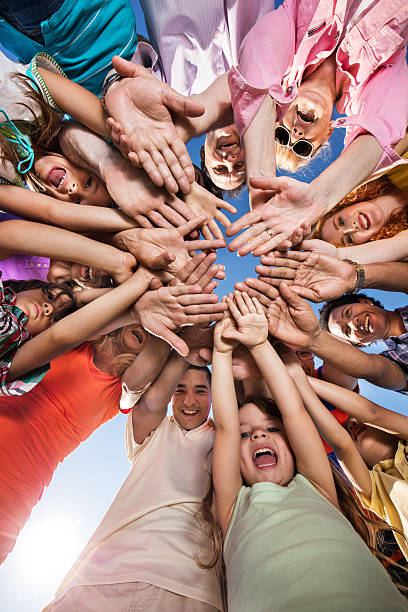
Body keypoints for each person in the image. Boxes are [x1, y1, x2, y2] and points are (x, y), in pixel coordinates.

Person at [209, 291, 407, 612]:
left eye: (304, 353)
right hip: (351, 516)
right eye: (289, 353)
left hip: (373, 520)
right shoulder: (256, 420)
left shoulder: (323, 385)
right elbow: (236, 416)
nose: (303, 358)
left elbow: (349, 375)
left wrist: (305, 346)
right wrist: (247, 347)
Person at [44, 361, 223, 611]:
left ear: (214, 396)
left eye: (200, 391)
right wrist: (187, 352)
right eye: (180, 389)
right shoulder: (156, 430)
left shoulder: (224, 440)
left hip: (187, 583)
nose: (189, 400)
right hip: (105, 576)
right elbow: (150, 404)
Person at [290, 371, 408, 561]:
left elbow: (372, 413)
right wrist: (297, 380)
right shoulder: (375, 490)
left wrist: (302, 378)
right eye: (346, 429)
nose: (352, 422)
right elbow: (341, 445)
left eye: (360, 420)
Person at [314, 176, 408, 247]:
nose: (352, 229)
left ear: (343, 205)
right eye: (349, 239)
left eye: (341, 222)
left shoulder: (388, 164)